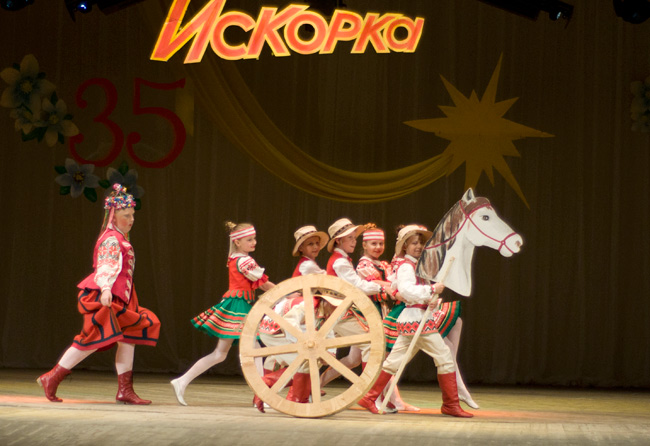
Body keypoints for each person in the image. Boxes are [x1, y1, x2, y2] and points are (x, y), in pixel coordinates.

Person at [37, 183, 161, 405]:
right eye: (126, 215)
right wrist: (105, 289)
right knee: (92, 339)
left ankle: (125, 390)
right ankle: (52, 377)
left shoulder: (120, 237)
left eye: (133, 215)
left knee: (128, 338)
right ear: (113, 216)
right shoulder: (112, 239)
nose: (131, 219)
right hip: (107, 294)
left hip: (121, 296)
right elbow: (105, 266)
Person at [357, 225, 473, 418]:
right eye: (414, 243)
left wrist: (430, 300)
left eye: (421, 243)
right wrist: (431, 290)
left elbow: (411, 292)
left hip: (414, 318)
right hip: (416, 321)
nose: (418, 246)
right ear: (405, 246)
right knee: (444, 357)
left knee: (393, 361)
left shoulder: (415, 265)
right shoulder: (406, 266)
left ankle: (369, 397)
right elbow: (406, 291)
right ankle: (450, 404)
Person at [171, 221, 275, 406]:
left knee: (221, 354)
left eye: (254, 239)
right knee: (252, 350)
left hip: (237, 304)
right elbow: (263, 284)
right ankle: (261, 395)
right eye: (249, 240)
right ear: (237, 242)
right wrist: (284, 291)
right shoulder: (245, 261)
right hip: (238, 306)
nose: (254, 242)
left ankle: (182, 381)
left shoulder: (236, 258)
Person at [320, 219, 391, 386]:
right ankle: (370, 390)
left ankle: (316, 383)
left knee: (354, 358)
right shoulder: (340, 261)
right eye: (350, 238)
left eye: (354, 238)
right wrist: (383, 288)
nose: (354, 241)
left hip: (343, 309)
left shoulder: (343, 259)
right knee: (371, 342)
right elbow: (358, 286)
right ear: (339, 241)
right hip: (338, 311)